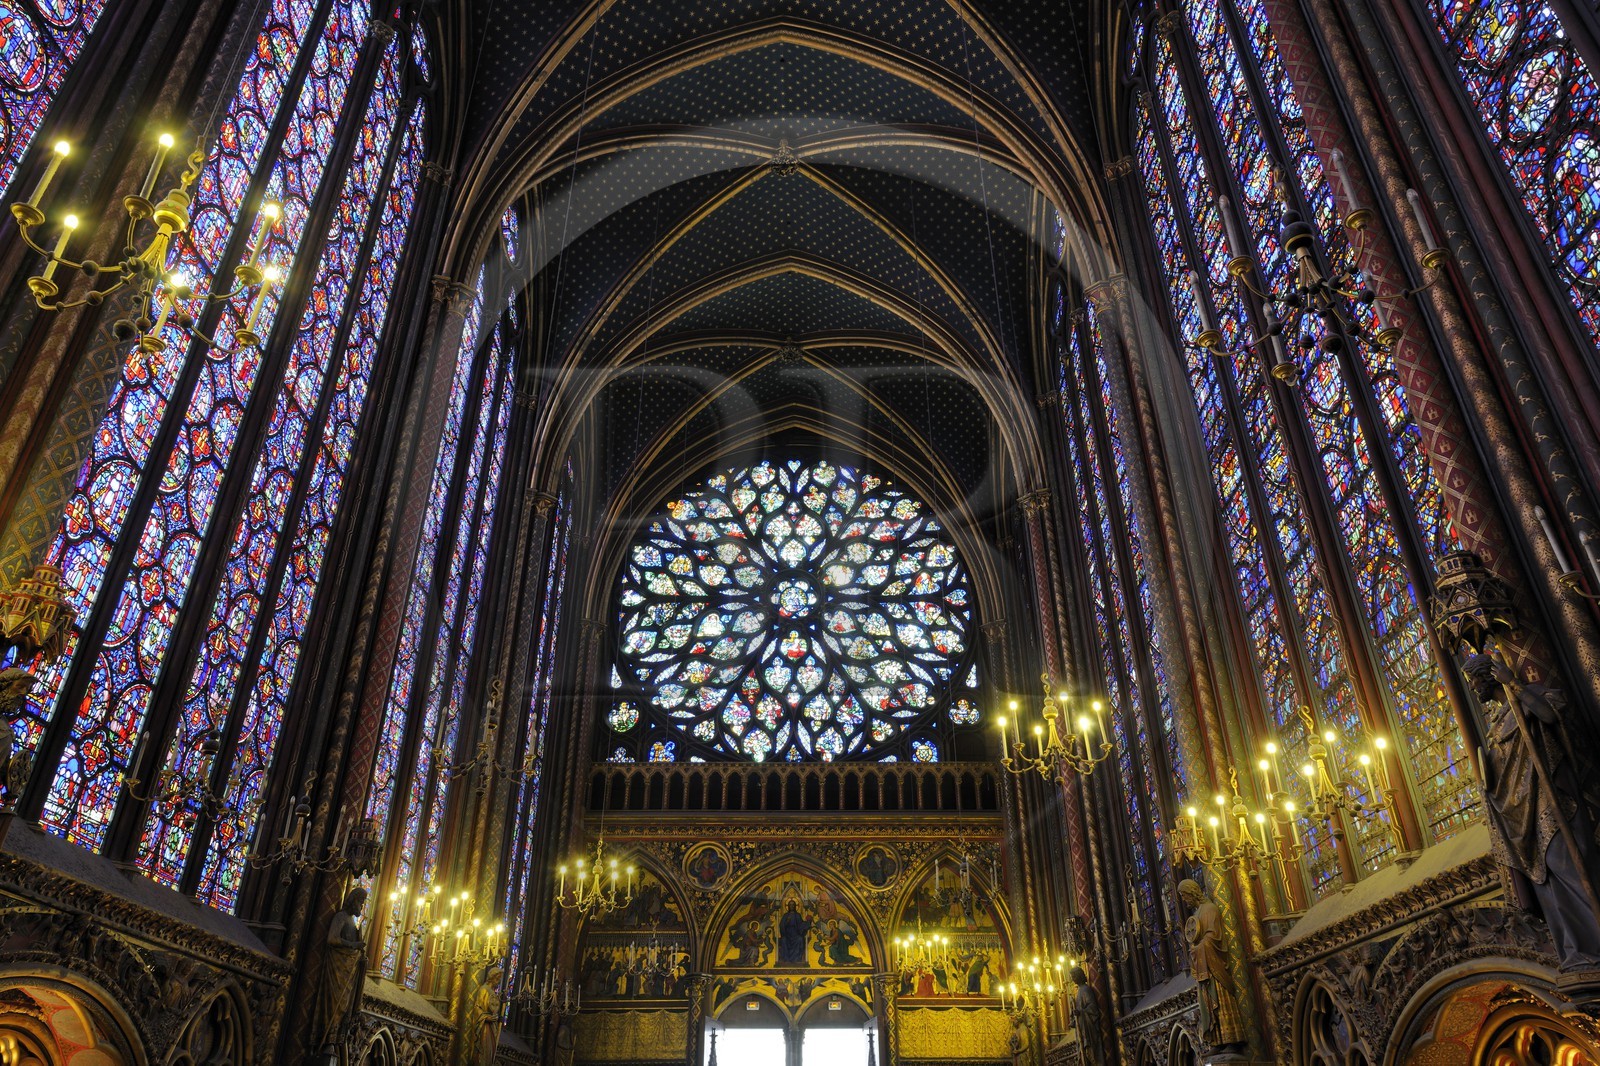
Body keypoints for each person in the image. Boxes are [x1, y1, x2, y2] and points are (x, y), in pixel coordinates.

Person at [1465, 654, 1600, 969]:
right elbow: (1504, 770)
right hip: (1521, 813)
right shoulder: (1497, 723)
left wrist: (1513, 682)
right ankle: (1575, 952)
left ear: (1490, 676)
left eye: (1475, 680)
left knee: (1569, 868)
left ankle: (1594, 944)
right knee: (1547, 881)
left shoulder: (1530, 696)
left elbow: (1550, 717)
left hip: (1552, 802)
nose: (1473, 688)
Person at [1178, 879, 1247, 1055]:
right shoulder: (1198, 912)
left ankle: (1231, 1038)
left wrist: (1197, 949)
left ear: (1193, 892)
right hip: (1204, 967)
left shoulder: (1210, 909)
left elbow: (1213, 938)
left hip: (1214, 968)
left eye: (1185, 895)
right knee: (1207, 1003)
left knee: (1221, 1000)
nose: (1184, 900)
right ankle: (1217, 1040)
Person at [311, 887, 368, 1056]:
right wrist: (354, 946)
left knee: (344, 1007)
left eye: (363, 903)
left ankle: (335, 1040)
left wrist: (360, 954)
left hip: (348, 969)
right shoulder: (341, 917)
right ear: (353, 900)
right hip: (337, 968)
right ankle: (327, 1038)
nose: (361, 907)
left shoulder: (352, 922)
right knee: (333, 1004)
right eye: (361, 902)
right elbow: (332, 938)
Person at [1069, 966, 1106, 1066]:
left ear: (1079, 975)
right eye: (1072, 976)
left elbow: (1093, 1007)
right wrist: (1073, 1016)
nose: (1072, 979)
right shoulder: (1078, 991)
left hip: (1088, 1029)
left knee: (1092, 1053)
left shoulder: (1085, 989)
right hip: (1082, 1028)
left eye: (1074, 976)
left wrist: (1080, 1012)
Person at [777, 900, 811, 965]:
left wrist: (808, 922)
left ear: (795, 906)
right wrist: (786, 921)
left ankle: (797, 959)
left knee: (800, 939)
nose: (792, 906)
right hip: (787, 934)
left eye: (793, 905)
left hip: (795, 933)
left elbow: (801, 925)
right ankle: (786, 959)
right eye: (790, 905)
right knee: (784, 940)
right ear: (788, 906)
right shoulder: (785, 915)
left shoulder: (797, 915)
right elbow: (781, 926)